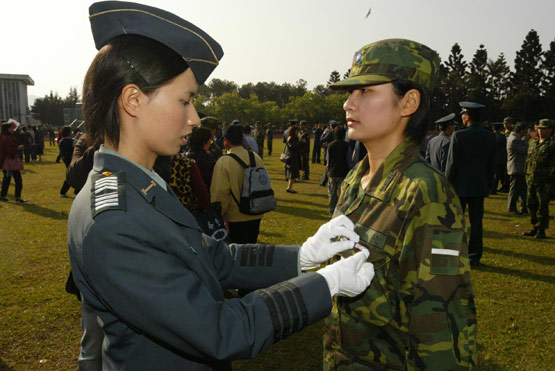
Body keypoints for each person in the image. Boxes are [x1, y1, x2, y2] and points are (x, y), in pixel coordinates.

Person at [68, 3, 374, 370]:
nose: (194, 118)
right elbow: (220, 330)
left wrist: (302, 256)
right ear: (133, 101)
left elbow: (214, 257)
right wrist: (324, 285)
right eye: (185, 101)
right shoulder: (115, 221)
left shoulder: (139, 186)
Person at [324, 38, 477, 369]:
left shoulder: (426, 195)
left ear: (408, 102)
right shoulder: (355, 180)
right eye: (350, 93)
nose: (348, 105)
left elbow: (440, 328)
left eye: (365, 92)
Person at [445, 101, 496, 266]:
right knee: (476, 222)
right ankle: (474, 256)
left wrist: (447, 184)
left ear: (467, 116)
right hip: (479, 185)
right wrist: (488, 185)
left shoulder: (459, 135)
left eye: (462, 114)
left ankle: (452, 255)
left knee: (454, 221)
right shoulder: (490, 136)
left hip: (459, 186)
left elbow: (452, 164)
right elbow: (491, 164)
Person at [523, 119, 554, 239]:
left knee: (542, 206)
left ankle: (541, 229)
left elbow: (553, 166)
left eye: (544, 129)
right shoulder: (533, 143)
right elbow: (528, 161)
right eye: (539, 128)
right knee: (531, 204)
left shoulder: (551, 145)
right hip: (531, 178)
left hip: (543, 181)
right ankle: (534, 226)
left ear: (550, 130)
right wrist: (526, 174)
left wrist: (549, 182)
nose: (540, 131)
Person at [326, 126, 351, 215]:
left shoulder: (330, 145)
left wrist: (328, 170)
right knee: (342, 193)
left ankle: (331, 209)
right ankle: (341, 210)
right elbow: (349, 160)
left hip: (333, 171)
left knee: (332, 193)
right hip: (343, 172)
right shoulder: (346, 145)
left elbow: (328, 160)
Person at [0, 122, 26, 202]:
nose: (12, 129)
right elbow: (9, 150)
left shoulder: (3, 136)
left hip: (5, 161)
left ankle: (3, 196)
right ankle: (17, 197)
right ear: (7, 129)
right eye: (11, 128)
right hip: (10, 161)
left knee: (6, 179)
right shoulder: (7, 138)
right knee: (18, 180)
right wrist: (18, 148)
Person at [507, 122, 529, 214]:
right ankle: (511, 207)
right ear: (521, 131)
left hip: (519, 168)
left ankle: (524, 207)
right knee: (514, 190)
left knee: (523, 190)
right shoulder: (514, 139)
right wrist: (526, 141)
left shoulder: (515, 138)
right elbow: (523, 150)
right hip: (516, 168)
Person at [58, 126, 76, 198]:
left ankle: (63, 192)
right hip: (73, 160)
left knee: (70, 176)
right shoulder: (72, 141)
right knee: (77, 176)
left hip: (66, 160)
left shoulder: (61, 141)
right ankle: (76, 192)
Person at [491, 122, 508, 195]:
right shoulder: (502, 136)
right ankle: (493, 190)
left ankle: (489, 188)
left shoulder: (490, 136)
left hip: (492, 157)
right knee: (497, 175)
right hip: (500, 158)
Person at [284, 126, 302, 193]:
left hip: (294, 157)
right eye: (296, 131)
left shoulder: (294, 138)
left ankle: (289, 187)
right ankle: (289, 187)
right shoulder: (291, 138)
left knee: (293, 174)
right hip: (292, 158)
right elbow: (293, 147)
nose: (298, 132)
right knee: (292, 174)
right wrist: (300, 143)